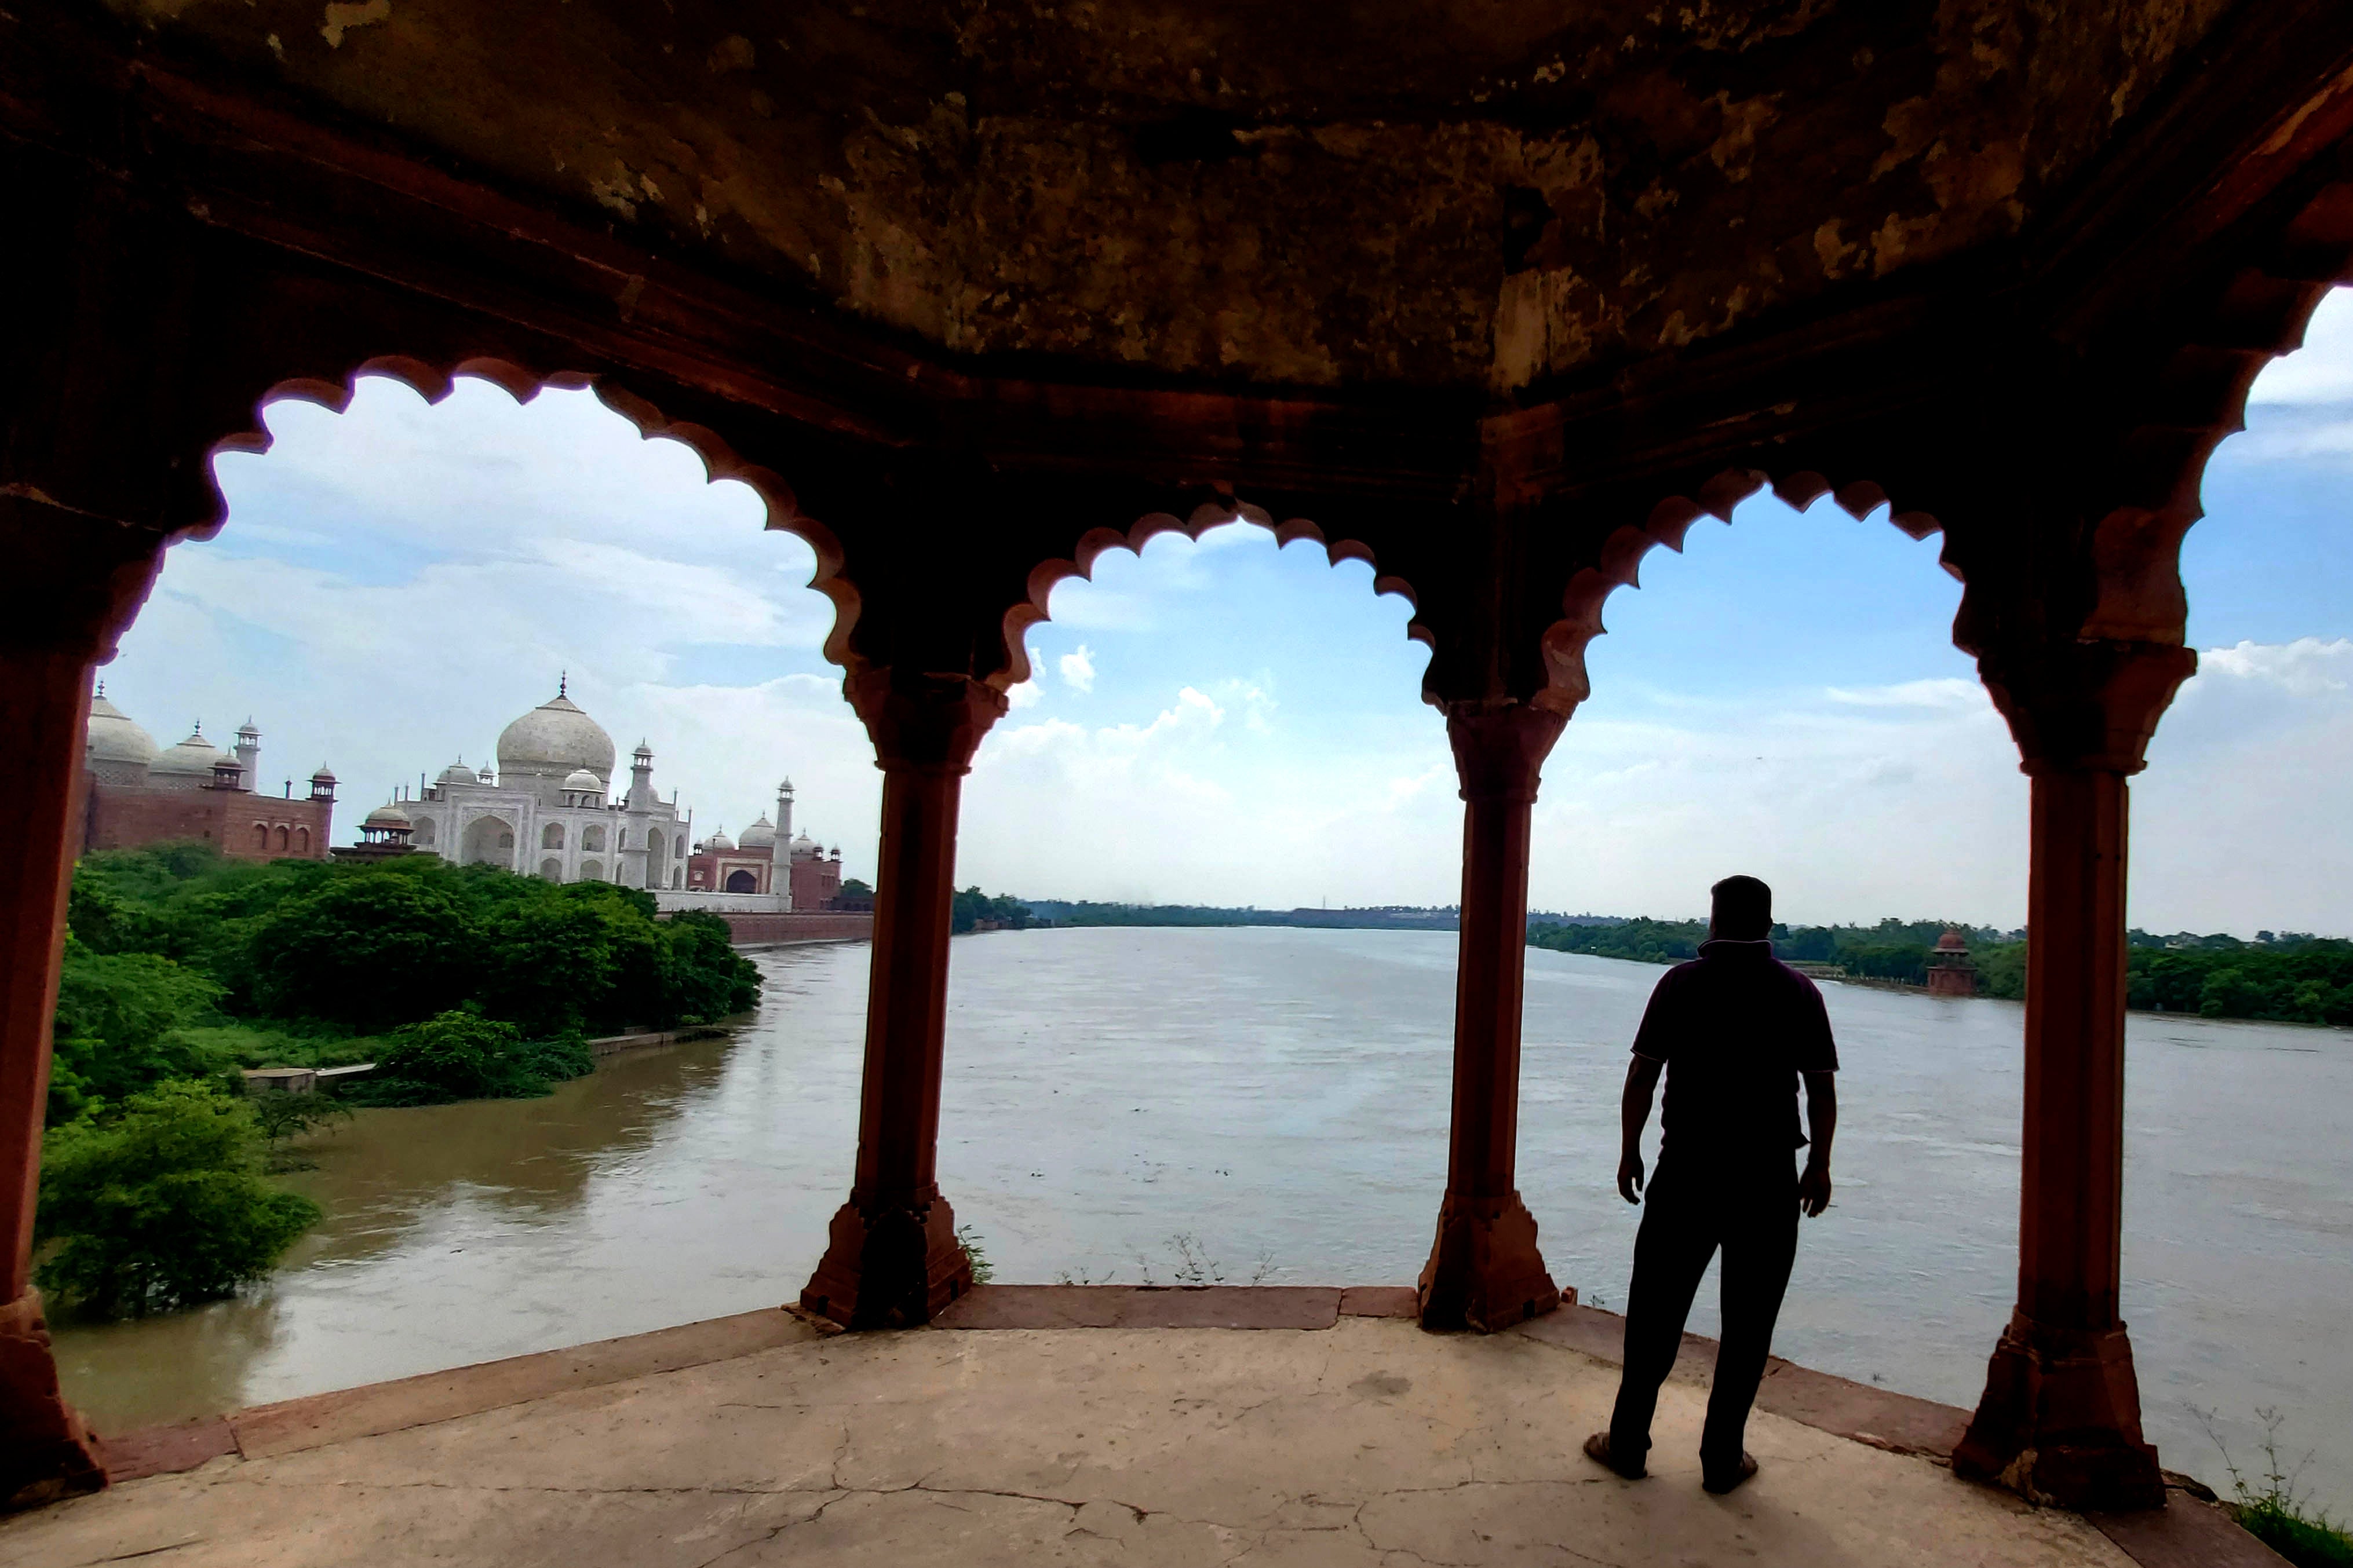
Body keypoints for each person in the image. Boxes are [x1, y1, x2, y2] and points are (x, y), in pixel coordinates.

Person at [1582, 874, 1838, 1495]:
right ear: (1769, 925)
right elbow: (1821, 1090)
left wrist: (1627, 1152)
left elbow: (1641, 1077)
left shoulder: (1679, 984)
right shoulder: (1797, 992)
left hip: (1686, 1171)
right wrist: (1818, 1165)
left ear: (1713, 921)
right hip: (1766, 1179)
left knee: (1654, 1315)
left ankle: (1626, 1444)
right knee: (1748, 1325)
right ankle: (1721, 1459)